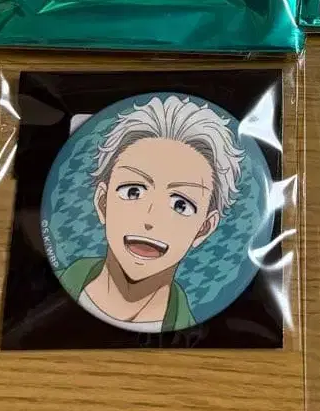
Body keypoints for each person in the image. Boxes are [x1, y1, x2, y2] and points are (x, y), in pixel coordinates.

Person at [61, 94, 244, 332]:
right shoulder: (48, 290)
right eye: (133, 192)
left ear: (204, 228)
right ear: (102, 202)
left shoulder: (205, 334)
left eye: (180, 205)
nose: (150, 220)